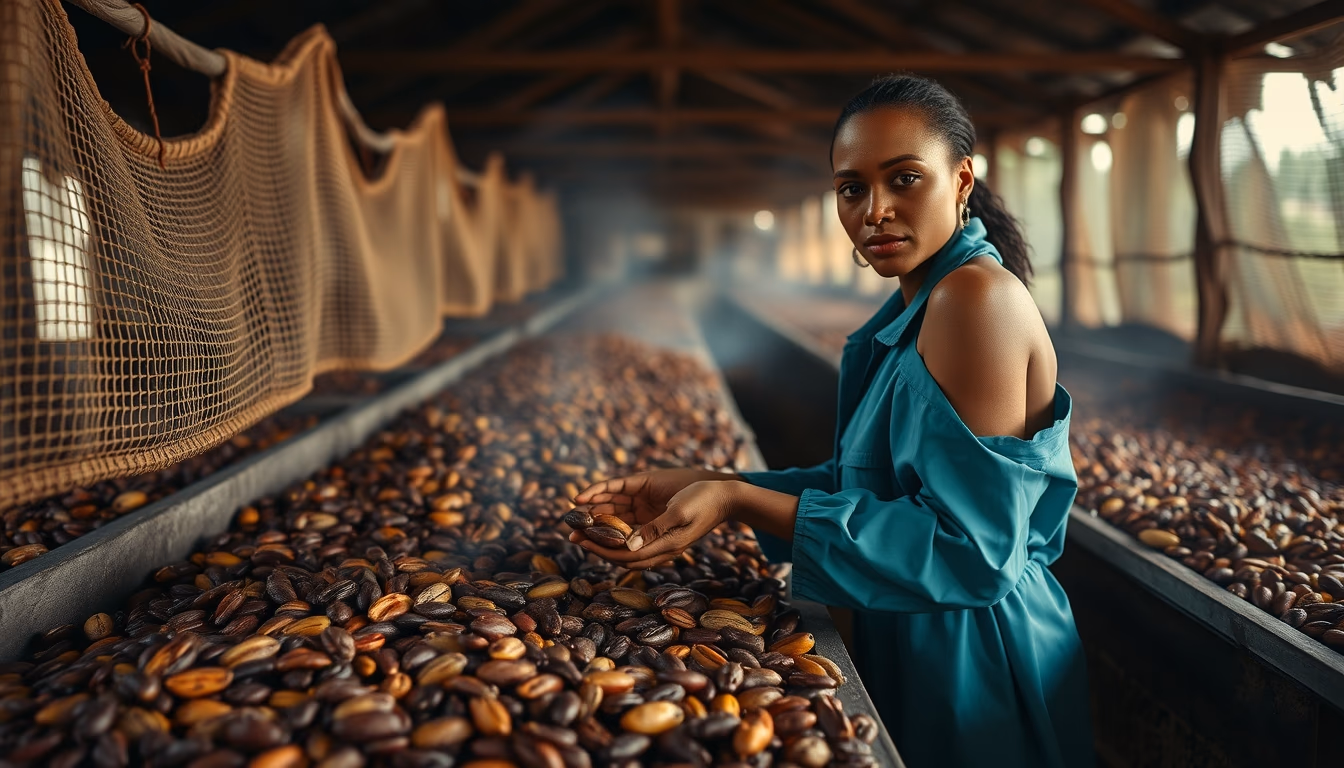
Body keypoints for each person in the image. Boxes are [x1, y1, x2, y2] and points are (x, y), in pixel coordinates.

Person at [571, 74, 1095, 768]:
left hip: (975, 652)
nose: (874, 210)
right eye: (852, 188)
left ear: (962, 179)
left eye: (905, 179)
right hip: (913, 620)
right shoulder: (918, 301)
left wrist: (738, 499)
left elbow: (973, 555)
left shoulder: (975, 301)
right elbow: (872, 484)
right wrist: (709, 481)